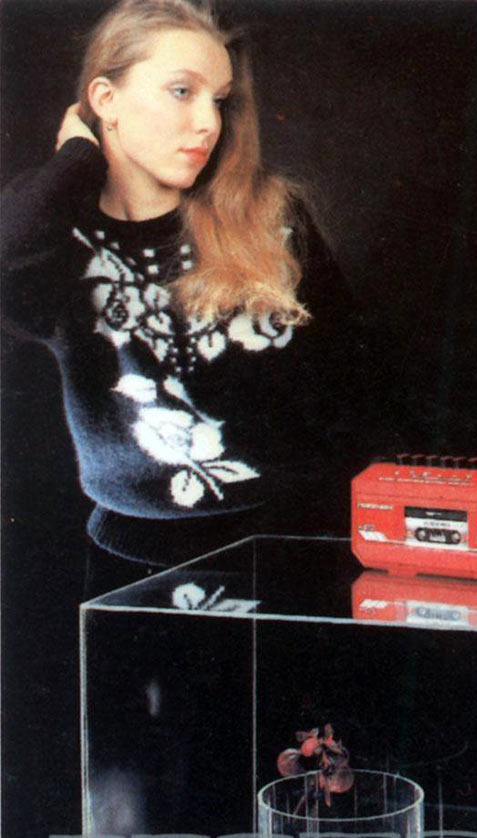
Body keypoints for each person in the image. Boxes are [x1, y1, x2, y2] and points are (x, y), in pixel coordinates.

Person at [2, 0, 372, 591]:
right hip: (128, 564)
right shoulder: (60, 242)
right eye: (182, 91)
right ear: (105, 100)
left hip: (289, 548)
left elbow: (359, 393)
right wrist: (76, 160)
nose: (208, 123)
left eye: (219, 100)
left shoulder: (273, 217)